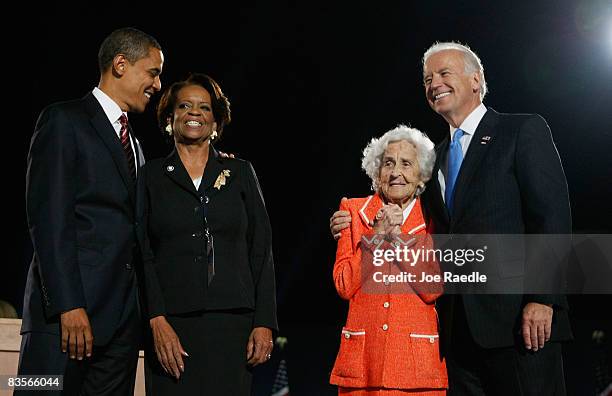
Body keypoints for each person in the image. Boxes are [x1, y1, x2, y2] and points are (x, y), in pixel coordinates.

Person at [331, 42, 572, 395]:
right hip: (457, 339)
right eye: (428, 78)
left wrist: (543, 298)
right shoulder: (435, 160)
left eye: (445, 73)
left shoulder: (521, 131)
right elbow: (404, 207)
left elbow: (552, 217)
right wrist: (346, 221)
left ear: (477, 80)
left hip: (520, 326)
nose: (434, 83)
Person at [20, 28, 163, 395]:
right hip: (65, 320)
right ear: (120, 64)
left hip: (121, 330)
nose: (158, 84)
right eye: (152, 72)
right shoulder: (63, 120)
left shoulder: (137, 146)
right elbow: (48, 221)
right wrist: (69, 306)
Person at [142, 73, 278, 395]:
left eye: (204, 107)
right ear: (169, 118)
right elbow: (143, 251)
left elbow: (262, 248)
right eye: (185, 106)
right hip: (173, 325)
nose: (194, 113)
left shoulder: (240, 172)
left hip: (233, 324)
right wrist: (156, 320)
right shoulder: (150, 177)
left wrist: (264, 322)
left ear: (216, 120)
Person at [330, 125, 447, 395]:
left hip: (417, 370)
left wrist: (397, 236)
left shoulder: (435, 220)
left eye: (407, 164)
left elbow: (432, 289)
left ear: (421, 175)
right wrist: (376, 235)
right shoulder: (352, 211)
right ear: (376, 170)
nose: (396, 173)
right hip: (362, 368)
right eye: (388, 163)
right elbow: (344, 285)